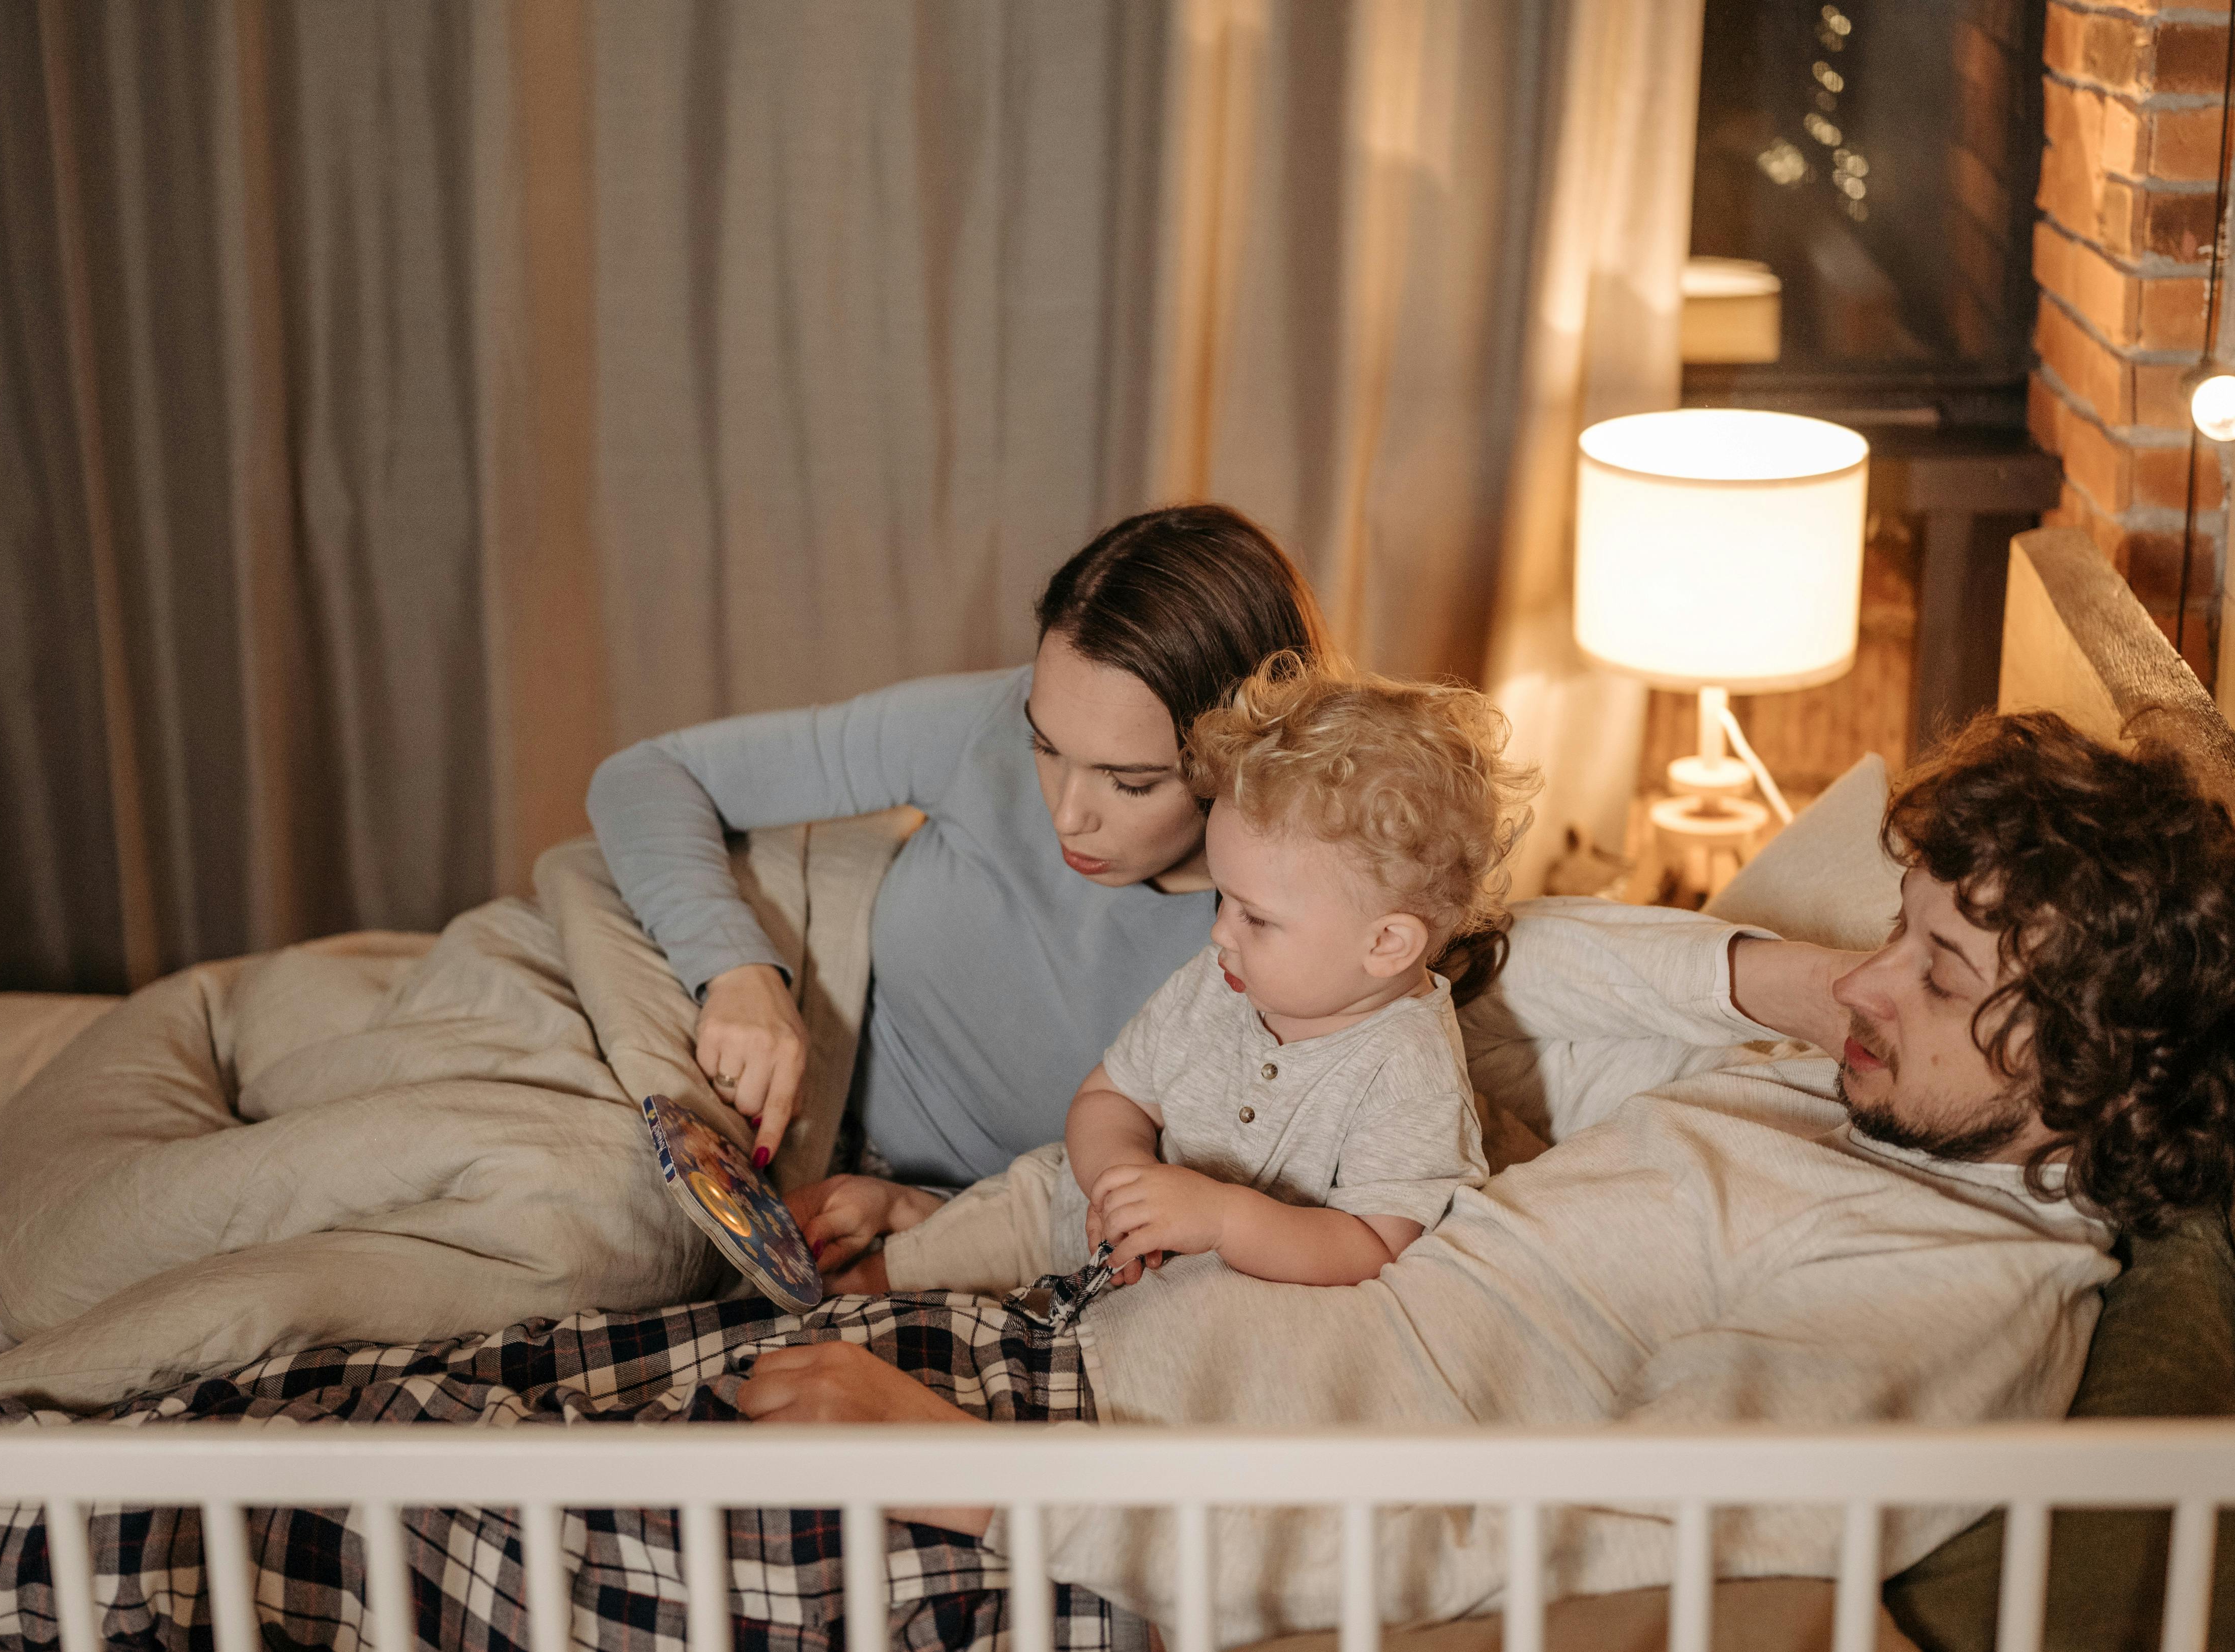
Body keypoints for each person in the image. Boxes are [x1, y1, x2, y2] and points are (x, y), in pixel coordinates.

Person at [718, 710, 2235, 1639]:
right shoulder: (1863, 1101)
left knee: (484, 1527)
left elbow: (1553, 1552)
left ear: (2091, 1059)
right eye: (1894, 934)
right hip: (1080, 1359)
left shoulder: (1948, 1292)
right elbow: (1503, 969)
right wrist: (1823, 976)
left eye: (1940, 967)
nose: (1872, 989)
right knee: (481, 1410)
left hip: (1088, 1534)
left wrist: (983, 1486)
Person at [587, 504, 1330, 1181]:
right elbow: (646, 776)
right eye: (1044, 746)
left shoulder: (1302, 933)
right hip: (770, 1086)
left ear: (1246, 755)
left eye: (1129, 783)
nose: (1066, 815)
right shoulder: (986, 721)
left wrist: (929, 1219)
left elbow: (1198, 1208)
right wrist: (737, 971)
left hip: (966, 1232)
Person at [849, 659, 1534, 1297]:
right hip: (1062, 1217)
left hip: (1200, 1297)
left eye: (1255, 918)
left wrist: (1224, 1221)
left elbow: (1376, 1246)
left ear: (1385, 944)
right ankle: (874, 1272)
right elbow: (1110, 1097)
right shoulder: (1221, 977)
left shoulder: (1407, 1071)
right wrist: (1122, 1182)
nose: (1218, 932)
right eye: (1225, 900)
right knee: (882, 1284)